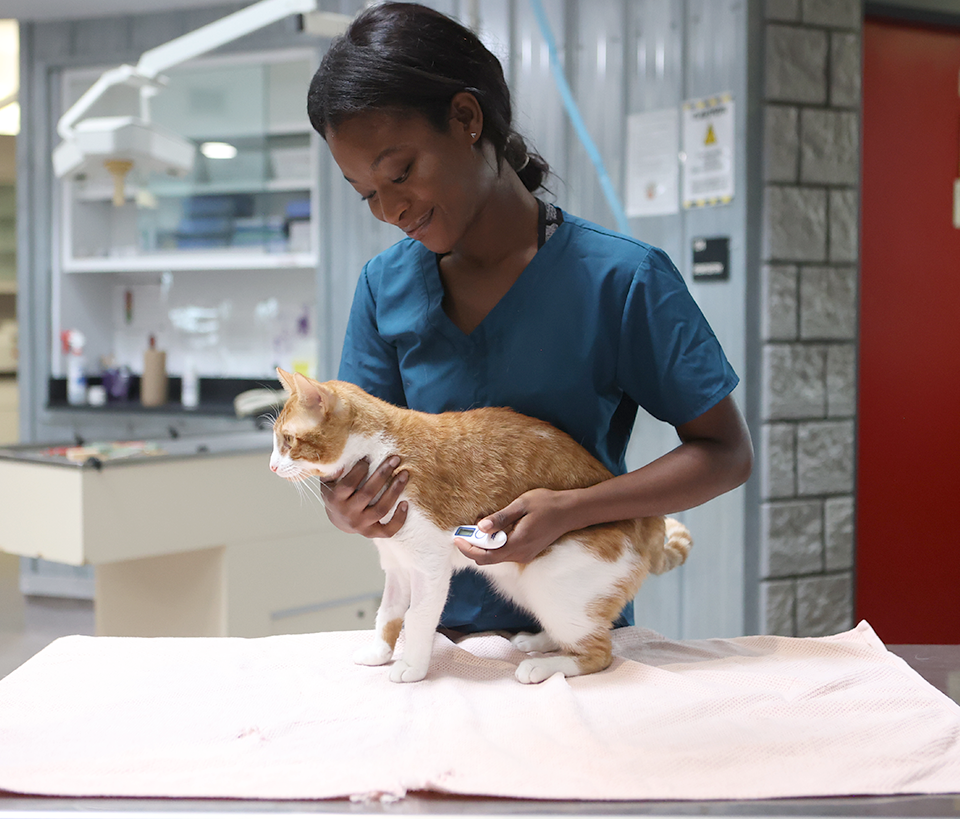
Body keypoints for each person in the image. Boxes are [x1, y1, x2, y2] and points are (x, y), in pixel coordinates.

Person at [306, 2, 753, 635]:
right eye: (368, 194)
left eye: (400, 173)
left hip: (574, 632)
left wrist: (574, 509)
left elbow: (726, 453)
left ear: (466, 118)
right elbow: (358, 464)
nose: (390, 209)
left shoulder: (620, 279)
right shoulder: (385, 287)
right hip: (437, 642)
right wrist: (346, 507)